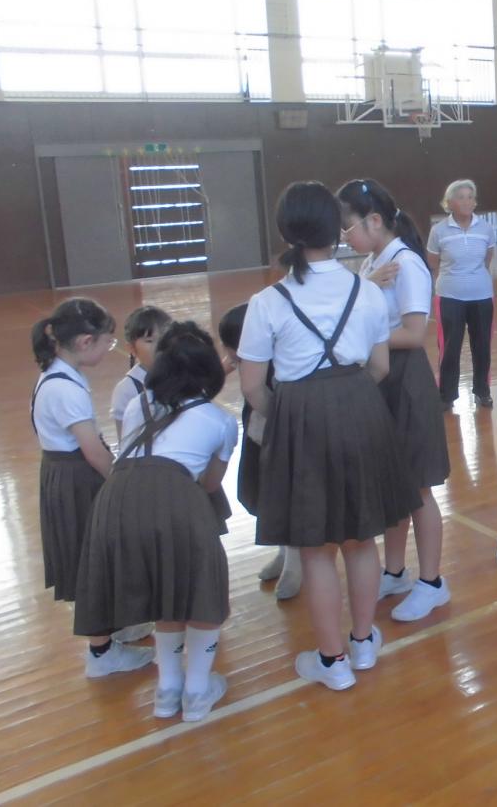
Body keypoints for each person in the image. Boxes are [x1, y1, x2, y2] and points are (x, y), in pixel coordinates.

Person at [238, 181, 419, 690]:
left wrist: (291, 416)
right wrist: (347, 401)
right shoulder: (366, 290)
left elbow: (252, 388)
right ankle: (363, 644)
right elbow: (380, 367)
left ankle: (332, 661)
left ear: (286, 232)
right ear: (336, 231)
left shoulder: (266, 301)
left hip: (299, 417)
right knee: (361, 539)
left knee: (316, 548)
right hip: (362, 409)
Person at [74, 322, 238, 722]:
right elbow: (210, 484)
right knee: (201, 590)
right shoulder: (220, 420)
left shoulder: (137, 405)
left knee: (163, 592)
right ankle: (196, 690)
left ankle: (167, 689)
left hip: (115, 499)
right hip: (175, 497)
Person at [338, 178, 452, 623]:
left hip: (405, 380)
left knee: (418, 488)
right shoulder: (375, 262)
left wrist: (362, 339)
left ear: (374, 221)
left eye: (348, 226)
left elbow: (414, 333)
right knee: (393, 485)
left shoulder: (407, 264)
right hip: (382, 378)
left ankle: (432, 582)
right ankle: (396, 572)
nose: (345, 236)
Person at [30, 297, 153, 678]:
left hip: (64, 473)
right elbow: (93, 451)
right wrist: (120, 482)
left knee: (91, 556)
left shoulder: (57, 373)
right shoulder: (66, 389)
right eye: (107, 342)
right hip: (77, 478)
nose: (108, 349)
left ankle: (108, 638)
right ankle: (101, 653)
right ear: (86, 342)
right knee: (92, 560)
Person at [218, 304, 301, 600]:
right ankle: (284, 552)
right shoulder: (245, 358)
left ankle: (295, 561)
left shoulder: (281, 362)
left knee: (288, 499)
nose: (228, 354)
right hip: (259, 437)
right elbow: (220, 374)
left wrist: (278, 424)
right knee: (266, 495)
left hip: (284, 440)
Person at [427, 179, 496, 410]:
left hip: (482, 296)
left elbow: (487, 258)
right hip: (449, 297)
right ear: (449, 203)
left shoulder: (486, 228)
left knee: (482, 346)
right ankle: (446, 395)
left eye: (470, 197)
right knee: (450, 348)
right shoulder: (438, 231)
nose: (467, 201)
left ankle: (482, 391)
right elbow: (433, 263)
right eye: (461, 197)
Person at [110, 306, 172, 441]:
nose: (159, 346)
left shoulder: (183, 375)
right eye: (149, 341)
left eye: (164, 338)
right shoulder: (127, 389)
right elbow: (125, 442)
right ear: (131, 348)